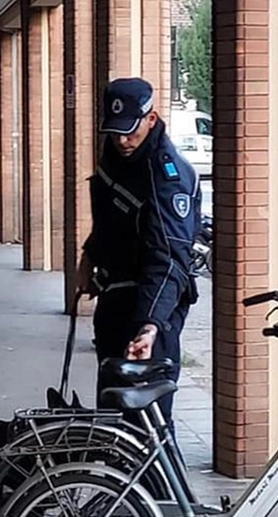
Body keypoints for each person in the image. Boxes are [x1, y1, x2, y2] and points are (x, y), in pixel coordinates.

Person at [77, 78, 202, 433]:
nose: (122, 140)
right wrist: (89, 256)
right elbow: (110, 222)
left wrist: (149, 325)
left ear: (151, 118)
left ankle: (159, 489)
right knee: (115, 416)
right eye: (115, 132)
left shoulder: (167, 177)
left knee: (149, 425)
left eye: (130, 131)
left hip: (152, 309)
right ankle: (120, 487)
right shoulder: (116, 157)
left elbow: (169, 260)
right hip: (116, 300)